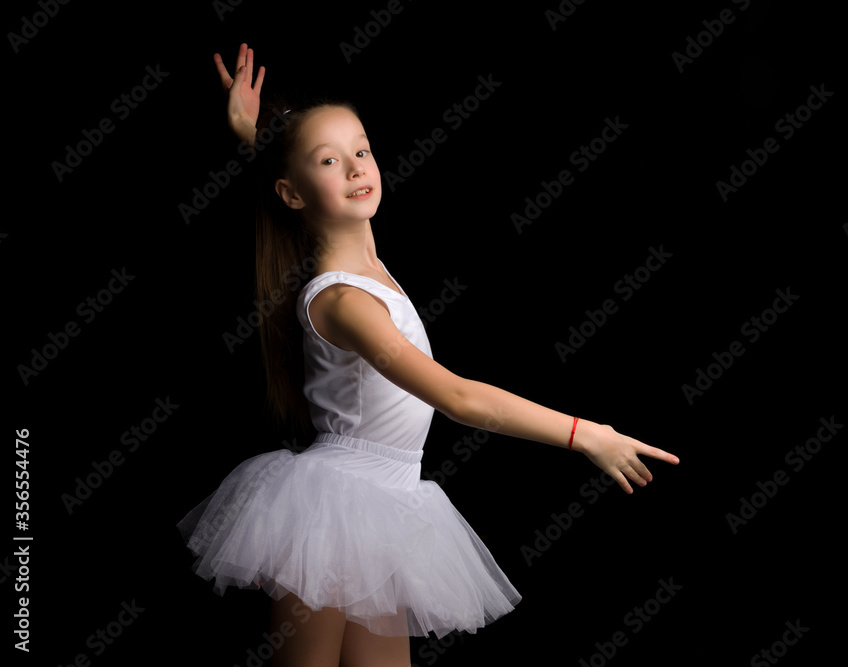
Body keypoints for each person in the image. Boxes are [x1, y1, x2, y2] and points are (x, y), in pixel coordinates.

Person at [177, 43, 680, 667]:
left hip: (387, 502)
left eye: (361, 149)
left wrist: (253, 134)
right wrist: (586, 434)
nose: (357, 168)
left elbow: (296, 183)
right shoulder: (342, 300)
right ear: (293, 193)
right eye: (330, 161)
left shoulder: (363, 262)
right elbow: (459, 397)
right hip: (335, 503)